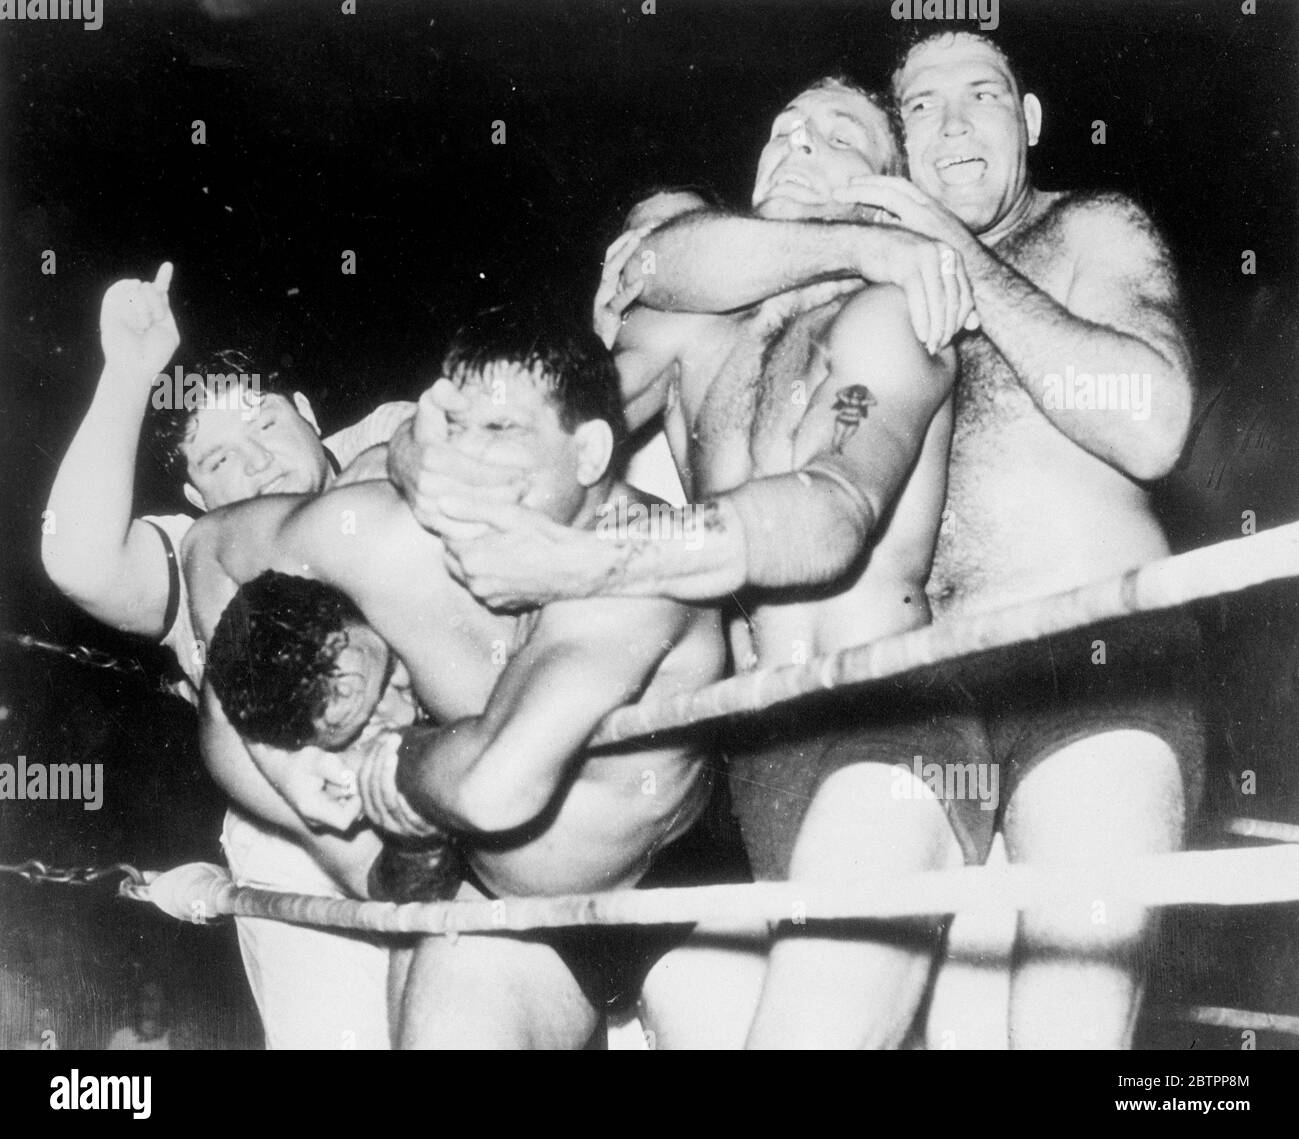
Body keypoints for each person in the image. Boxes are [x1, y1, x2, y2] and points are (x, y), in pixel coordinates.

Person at [569, 30, 1203, 1048]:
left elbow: (1153, 420)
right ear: (898, 157)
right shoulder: (824, 293)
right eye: (922, 105)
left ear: (1029, 121)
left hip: (1081, 675)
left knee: (1065, 1027)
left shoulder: (1088, 229)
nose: (953, 122)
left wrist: (958, 261)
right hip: (917, 694)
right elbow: (659, 264)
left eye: (981, 94)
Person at [386, 77, 982, 1049]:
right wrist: (424, 448)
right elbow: (548, 402)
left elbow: (829, 515)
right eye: (783, 129)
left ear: (889, 190)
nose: (797, 145)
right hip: (743, 769)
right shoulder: (702, 335)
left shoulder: (888, 318)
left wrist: (593, 560)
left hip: (885, 735)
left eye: (838, 136)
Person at [185, 309, 748, 1049]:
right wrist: (302, 781)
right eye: (457, 435)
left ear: (588, 455)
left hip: (679, 887)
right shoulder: (382, 537)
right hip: (504, 909)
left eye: (505, 438)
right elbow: (208, 549)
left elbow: (494, 782)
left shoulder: (640, 565)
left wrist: (393, 763)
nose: (471, 473)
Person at [41, 264, 414, 1048]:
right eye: (217, 462)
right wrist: (131, 375)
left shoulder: (384, 437)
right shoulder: (197, 546)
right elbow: (77, 556)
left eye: (266, 426)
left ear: (309, 413)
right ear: (199, 500)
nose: (255, 466)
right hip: (301, 846)